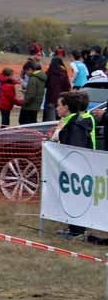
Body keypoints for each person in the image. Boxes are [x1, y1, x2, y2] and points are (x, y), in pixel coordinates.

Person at [51, 90, 97, 237]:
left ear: (66, 107)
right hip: (78, 166)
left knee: (77, 197)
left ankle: (76, 231)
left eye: (58, 105)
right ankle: (73, 229)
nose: (56, 108)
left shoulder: (76, 123)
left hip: (79, 167)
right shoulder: (71, 120)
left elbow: (73, 148)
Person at [43, 56, 71, 122]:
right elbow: (67, 86)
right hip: (61, 99)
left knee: (50, 120)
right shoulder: (63, 72)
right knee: (59, 119)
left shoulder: (49, 72)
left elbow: (45, 84)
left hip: (50, 98)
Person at [19, 60, 46, 125]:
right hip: (36, 105)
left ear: (30, 69)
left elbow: (31, 95)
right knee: (32, 123)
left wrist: (24, 102)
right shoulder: (41, 78)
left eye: (26, 72)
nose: (26, 74)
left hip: (29, 106)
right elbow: (36, 91)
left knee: (24, 122)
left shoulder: (33, 79)